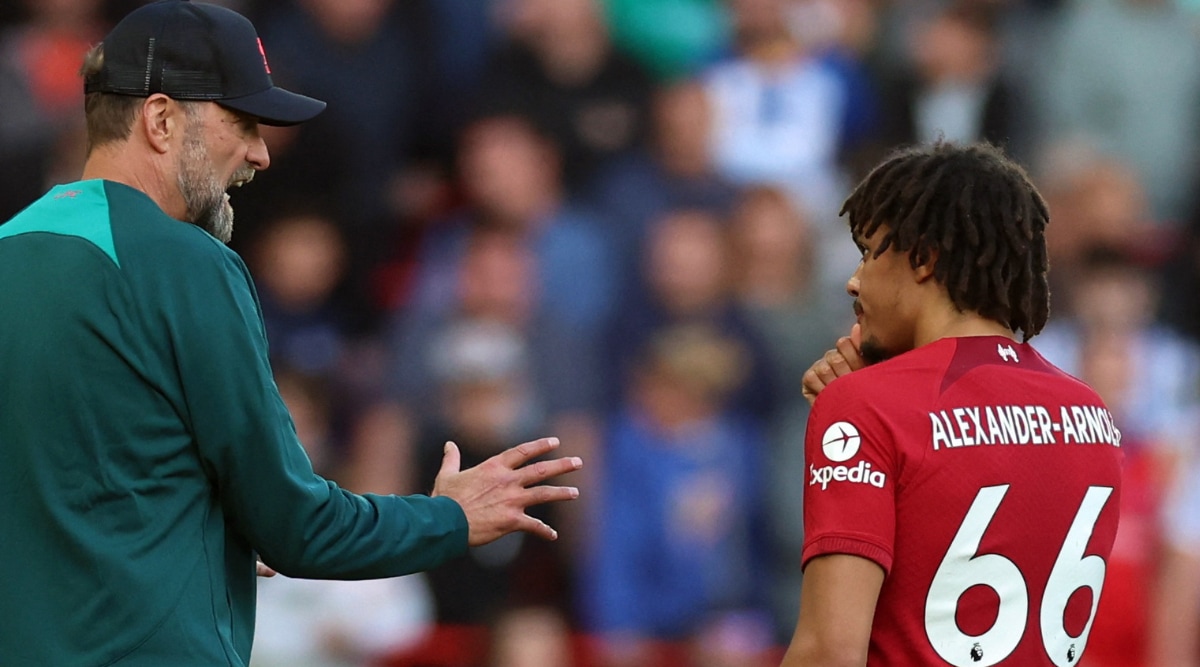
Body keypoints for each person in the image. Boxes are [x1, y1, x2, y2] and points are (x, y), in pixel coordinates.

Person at [0, 2, 582, 666]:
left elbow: (93, 487)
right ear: (161, 119)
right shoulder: (187, 263)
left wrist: (201, 533)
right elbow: (296, 527)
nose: (260, 152)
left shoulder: (8, 249)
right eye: (241, 121)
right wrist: (448, 517)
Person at [780, 141, 1123, 666]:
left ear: (924, 258)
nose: (854, 279)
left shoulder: (865, 406)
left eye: (871, 253)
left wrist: (862, 407)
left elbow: (829, 651)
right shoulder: (1091, 414)